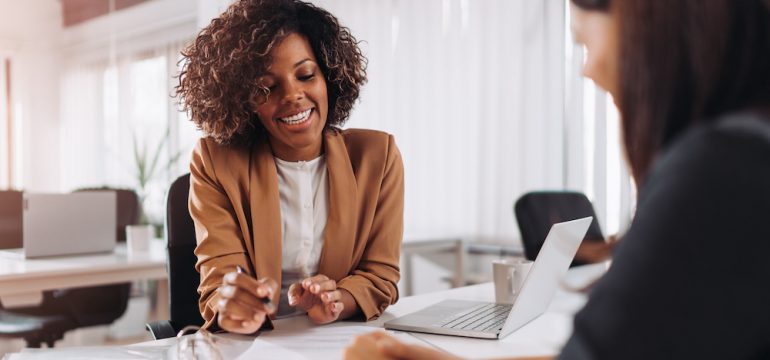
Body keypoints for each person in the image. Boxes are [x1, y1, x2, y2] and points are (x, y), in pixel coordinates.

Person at [345, 0, 770, 359]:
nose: (589, 69)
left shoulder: (720, 171)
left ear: (649, 24)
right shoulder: (743, 154)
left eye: (584, 42)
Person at [177, 0, 404, 334]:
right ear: (243, 100)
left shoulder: (377, 156)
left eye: (306, 75)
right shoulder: (215, 162)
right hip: (254, 348)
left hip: (337, 342)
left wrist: (337, 302)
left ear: (328, 75)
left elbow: (380, 276)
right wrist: (234, 307)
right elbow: (218, 286)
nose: (293, 95)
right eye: (266, 87)